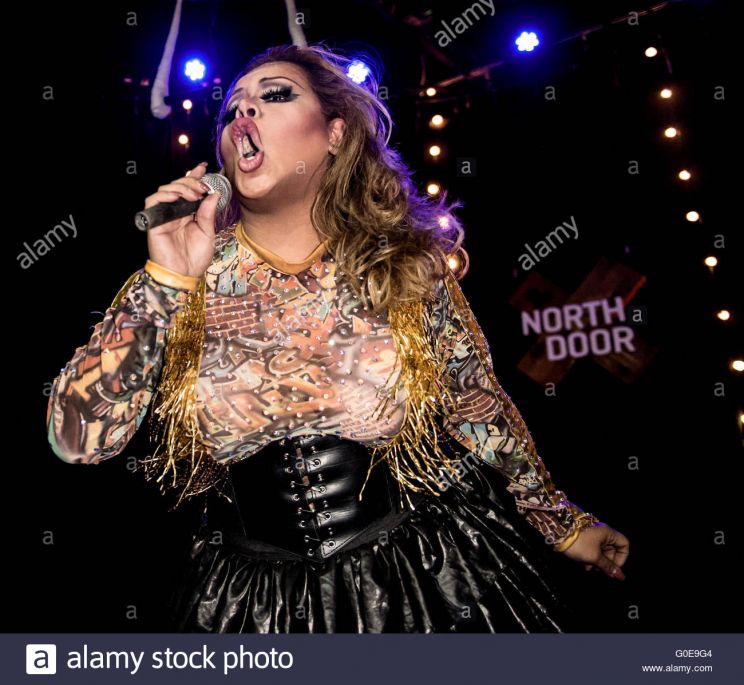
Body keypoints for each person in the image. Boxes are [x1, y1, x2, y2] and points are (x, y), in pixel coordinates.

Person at [46, 43, 629, 633]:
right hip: (253, 606)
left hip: (424, 576)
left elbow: (475, 402)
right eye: (231, 109)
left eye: (275, 96)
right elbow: (76, 441)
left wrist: (562, 524)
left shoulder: (402, 264)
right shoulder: (182, 277)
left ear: (334, 133)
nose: (244, 113)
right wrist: (166, 281)